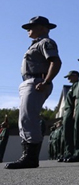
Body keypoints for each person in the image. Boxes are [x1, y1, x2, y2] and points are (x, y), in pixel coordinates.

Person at [7, 17, 62, 169]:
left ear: (43, 28)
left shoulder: (46, 42)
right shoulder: (36, 44)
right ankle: (28, 155)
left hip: (36, 82)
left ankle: (30, 157)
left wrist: (46, 81)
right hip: (29, 82)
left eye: (32, 27)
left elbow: (55, 62)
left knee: (28, 118)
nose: (28, 30)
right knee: (25, 119)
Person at [59, 70, 79, 161]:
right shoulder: (72, 86)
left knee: (70, 132)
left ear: (75, 76)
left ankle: (70, 152)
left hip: (71, 110)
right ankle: (67, 152)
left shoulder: (76, 85)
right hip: (67, 111)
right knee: (66, 133)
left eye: (70, 76)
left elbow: (76, 98)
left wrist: (75, 110)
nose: (68, 78)